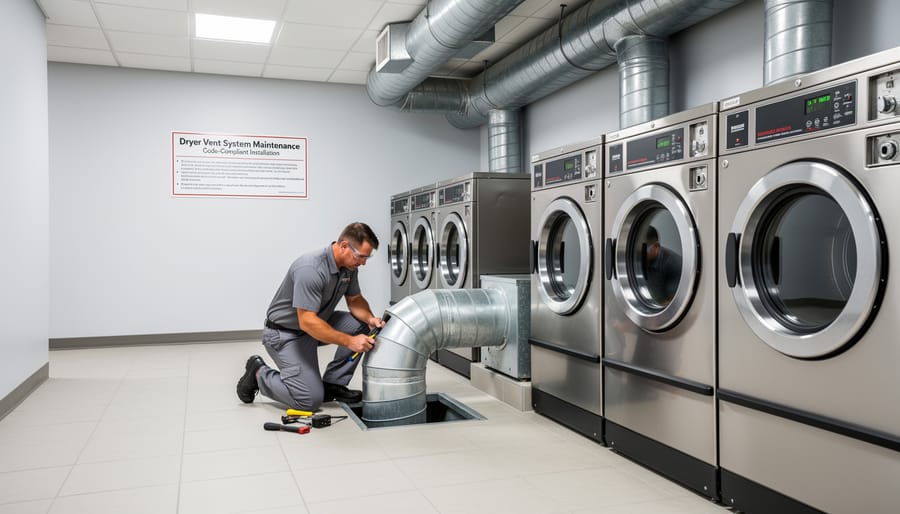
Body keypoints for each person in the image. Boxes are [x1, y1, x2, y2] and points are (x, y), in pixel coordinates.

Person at [236, 222, 385, 410]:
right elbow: (307, 321)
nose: (363, 262)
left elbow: (355, 300)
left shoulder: (349, 267)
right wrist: (349, 341)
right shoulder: (310, 268)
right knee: (309, 400)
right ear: (344, 246)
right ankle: (259, 373)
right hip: (285, 335)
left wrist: (370, 319)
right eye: (361, 256)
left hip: (313, 326)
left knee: (360, 324)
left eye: (367, 258)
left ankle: (333, 384)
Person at [643, 226, 682, 306]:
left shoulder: (674, 264)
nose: (637, 255)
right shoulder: (637, 260)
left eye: (643, 250)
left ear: (656, 247)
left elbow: (673, 304)